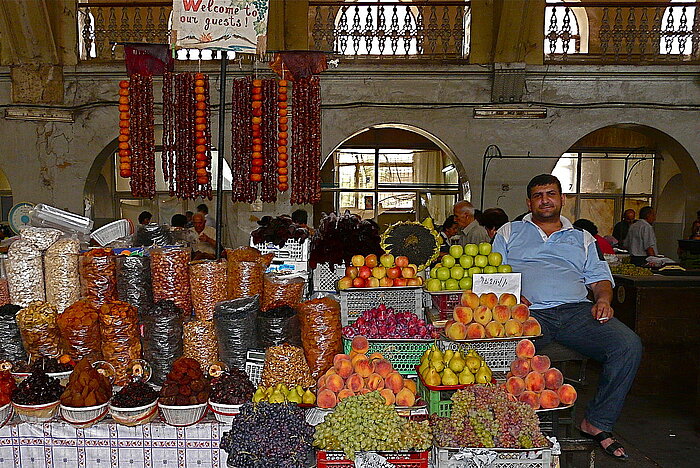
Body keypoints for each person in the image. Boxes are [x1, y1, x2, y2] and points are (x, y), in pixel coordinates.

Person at [492, 174, 642, 460]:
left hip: (576, 312)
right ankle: (508, 422)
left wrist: (603, 301)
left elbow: (599, 279)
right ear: (529, 202)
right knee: (499, 351)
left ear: (562, 199)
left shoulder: (582, 238)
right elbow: (494, 274)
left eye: (551, 193)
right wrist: (511, 296)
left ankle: (598, 422)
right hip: (530, 313)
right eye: (538, 195)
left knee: (627, 345)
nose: (545, 200)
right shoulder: (509, 232)